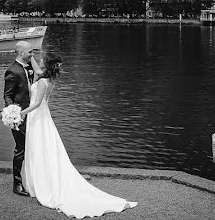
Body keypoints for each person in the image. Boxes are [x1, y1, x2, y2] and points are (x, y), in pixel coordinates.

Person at [19, 53, 137, 218]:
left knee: (39, 149)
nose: (39, 61)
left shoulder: (41, 83)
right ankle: (43, 179)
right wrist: (30, 56)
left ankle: (41, 183)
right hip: (44, 117)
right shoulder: (50, 80)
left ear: (46, 64)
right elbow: (38, 71)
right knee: (46, 148)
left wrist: (20, 113)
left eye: (41, 60)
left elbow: (37, 103)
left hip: (37, 117)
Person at [3, 41, 37, 196]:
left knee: (32, 147)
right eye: (30, 52)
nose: (32, 54)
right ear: (22, 53)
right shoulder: (12, 71)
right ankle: (17, 184)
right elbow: (8, 95)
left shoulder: (29, 67)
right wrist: (12, 113)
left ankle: (32, 179)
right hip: (19, 116)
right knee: (20, 149)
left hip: (32, 113)